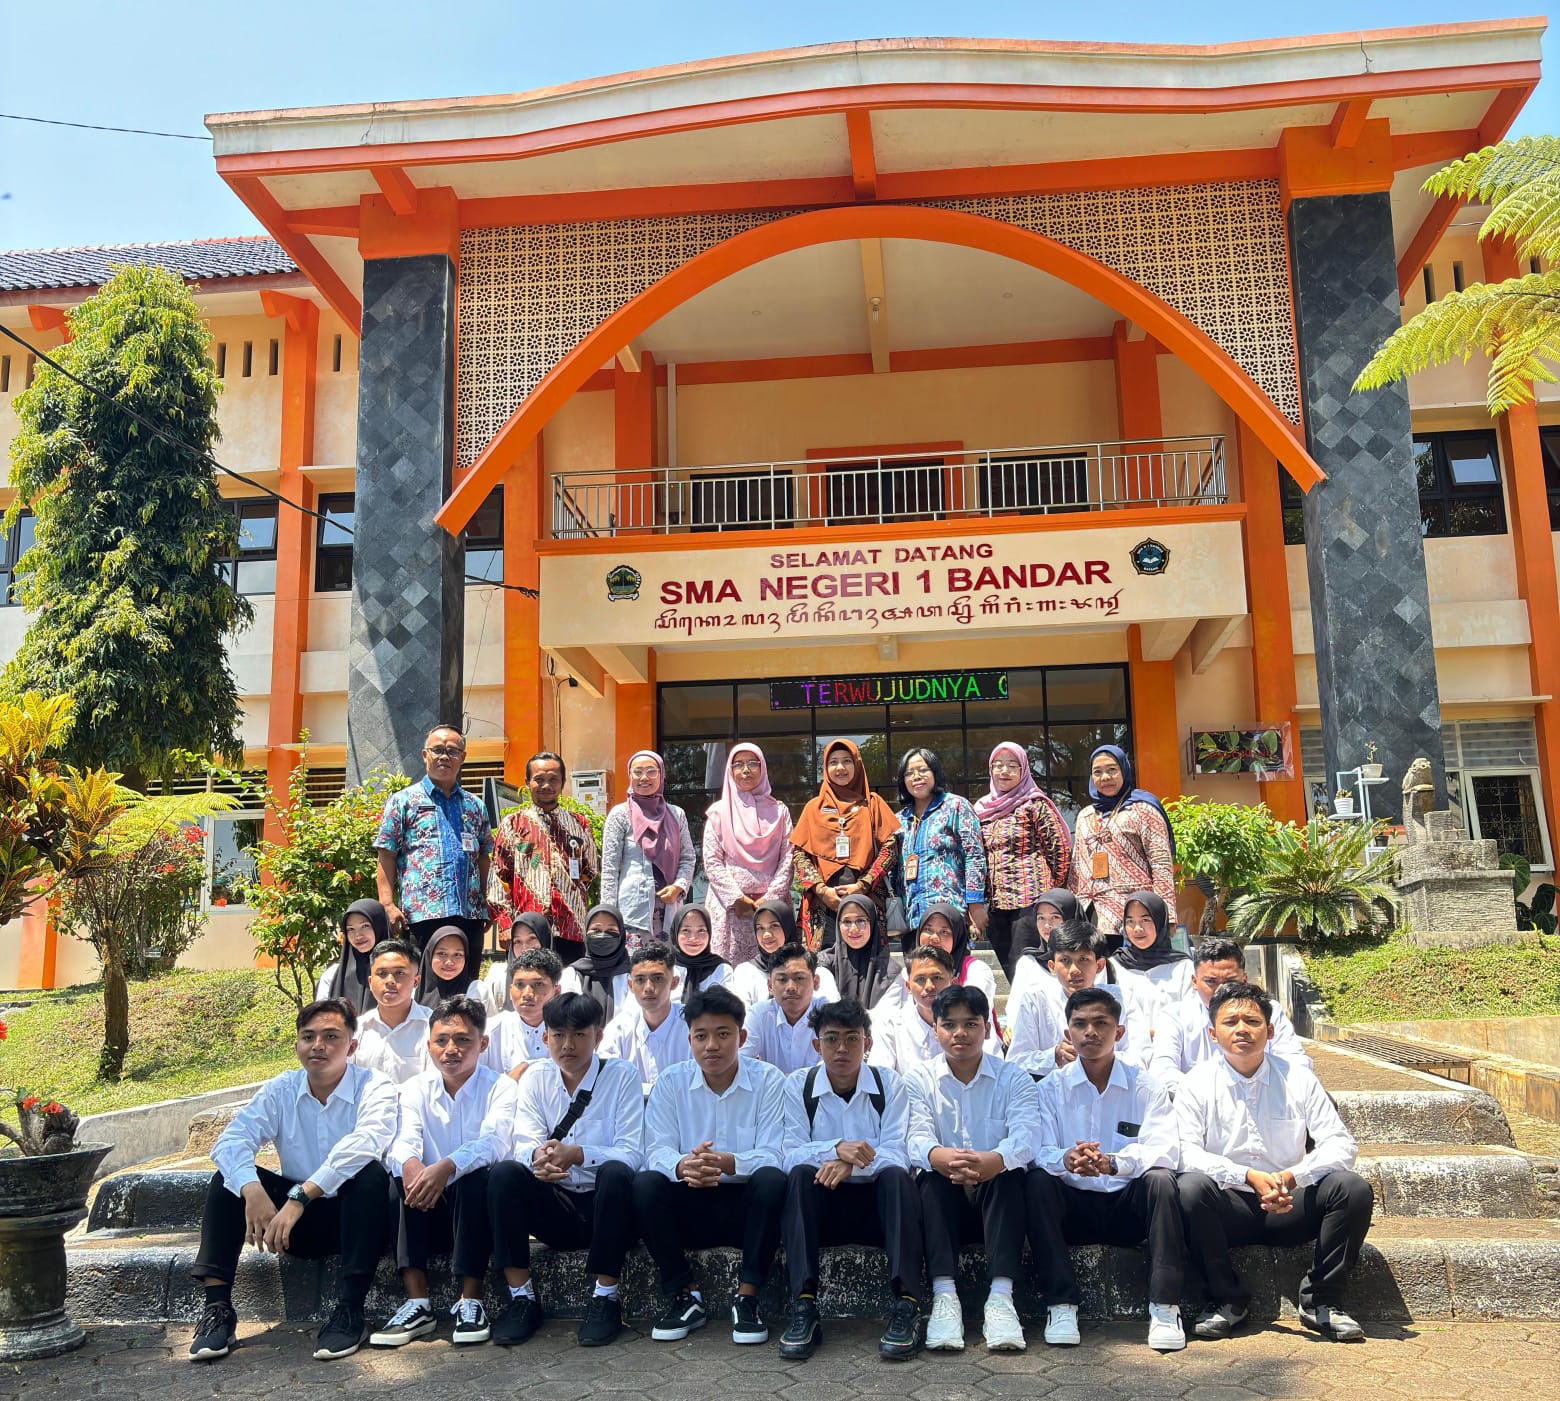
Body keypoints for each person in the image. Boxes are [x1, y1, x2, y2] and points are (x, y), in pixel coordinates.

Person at [188, 998, 396, 1363]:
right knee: (227, 1179)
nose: (319, 1046)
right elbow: (232, 1140)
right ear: (297, 1044)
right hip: (288, 1226)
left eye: (332, 1036)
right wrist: (252, 1189)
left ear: (352, 1045)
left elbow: (367, 1142)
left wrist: (300, 1197)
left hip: (356, 1222)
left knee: (369, 1175)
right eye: (308, 1036)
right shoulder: (282, 1089)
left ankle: (349, 1310)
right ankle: (217, 1310)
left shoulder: (374, 1086)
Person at [1175, 982, 1373, 1344]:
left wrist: (1291, 1177)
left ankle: (1321, 1300)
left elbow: (1340, 1143)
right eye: (1230, 1021)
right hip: (1228, 1205)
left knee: (1351, 1188)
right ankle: (1226, 1300)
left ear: (1270, 1030)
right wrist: (1248, 1176)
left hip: (1289, 1203)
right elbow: (1185, 1152)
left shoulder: (1298, 1078)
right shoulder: (1195, 1084)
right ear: (1212, 1032)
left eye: (1251, 1021)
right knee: (1188, 1188)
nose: (1241, 1030)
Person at [1022, 988, 1187, 1353]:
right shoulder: (1050, 1088)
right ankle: (1061, 1305)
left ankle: (1164, 1306)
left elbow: (1165, 1150)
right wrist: (1065, 1158)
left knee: (1162, 1180)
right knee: (1035, 1180)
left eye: (1101, 1023)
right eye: (1080, 1024)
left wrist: (1115, 1162)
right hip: (1073, 1206)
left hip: (1126, 1206)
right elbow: (1036, 1148)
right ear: (1068, 1034)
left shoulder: (1146, 1086)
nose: (1090, 1032)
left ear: (1120, 1032)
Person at [634, 985, 788, 1346]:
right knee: (645, 1185)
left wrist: (729, 1163)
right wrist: (684, 1166)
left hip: (745, 1210)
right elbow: (655, 1150)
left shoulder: (769, 1081)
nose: (712, 1046)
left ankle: (748, 1297)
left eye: (723, 1034)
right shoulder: (670, 1082)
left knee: (772, 1180)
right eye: (701, 1036)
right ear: (689, 1039)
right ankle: (685, 1295)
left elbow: (776, 1152)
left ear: (742, 1036)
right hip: (688, 1202)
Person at [488, 992, 645, 1348]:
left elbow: (633, 1152)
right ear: (545, 1037)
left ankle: (605, 1297)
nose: (567, 1045)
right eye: (558, 1035)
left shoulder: (621, 1076)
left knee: (617, 1172)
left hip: (610, 1208)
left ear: (598, 1036)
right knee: (505, 1174)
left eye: (578, 1035)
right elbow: (523, 1142)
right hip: (557, 1205)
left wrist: (579, 1154)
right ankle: (521, 1298)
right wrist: (538, 1159)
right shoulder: (535, 1077)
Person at [778, 1000, 922, 1363]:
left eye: (852, 1039)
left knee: (896, 1177)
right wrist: (837, 1150)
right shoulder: (799, 1085)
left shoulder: (889, 1084)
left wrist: (851, 1166)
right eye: (831, 1039)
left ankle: (907, 1303)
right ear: (816, 1045)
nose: (842, 1049)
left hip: (878, 1211)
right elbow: (790, 1152)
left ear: (867, 1042)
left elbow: (899, 1152)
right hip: (823, 1210)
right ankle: (804, 1306)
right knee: (797, 1176)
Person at [371, 995, 517, 1348]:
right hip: (428, 1209)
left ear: (481, 1044)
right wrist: (411, 1166)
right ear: (429, 1045)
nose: (451, 1049)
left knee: (474, 1177)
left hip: (478, 1215)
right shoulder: (415, 1089)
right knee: (397, 1179)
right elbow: (404, 1139)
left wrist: (446, 1167)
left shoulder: (501, 1087)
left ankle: (470, 1300)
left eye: (463, 1040)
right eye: (442, 1041)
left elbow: (494, 1142)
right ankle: (417, 1302)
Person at [906, 984, 1038, 1353]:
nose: (959, 1033)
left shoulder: (1014, 1078)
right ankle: (945, 1297)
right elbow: (913, 1137)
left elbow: (1027, 1137)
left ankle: (1001, 1298)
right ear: (936, 1030)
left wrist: (990, 1161)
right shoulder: (919, 1079)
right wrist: (941, 1157)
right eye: (949, 1025)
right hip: (945, 1196)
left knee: (1010, 1172)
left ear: (987, 1027)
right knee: (929, 1177)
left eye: (970, 1024)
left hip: (995, 1200)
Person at [374, 724, 494, 951]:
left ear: (463, 757)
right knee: (421, 984)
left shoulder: (475, 805)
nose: (444, 757)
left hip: (470, 915)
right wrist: (387, 903)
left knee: (467, 986)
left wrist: (487, 903)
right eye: (437, 750)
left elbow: (483, 858)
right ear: (424, 755)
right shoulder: (403, 801)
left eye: (452, 751)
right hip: (421, 916)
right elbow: (386, 854)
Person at [1151, 940, 1313, 1089]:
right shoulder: (1173, 1017)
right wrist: (1215, 1096)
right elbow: (1162, 1072)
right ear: (1194, 982)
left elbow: (1295, 1062)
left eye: (1230, 982)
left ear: (1244, 980)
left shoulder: (1270, 1010)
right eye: (1211, 981)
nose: (1221, 990)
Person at [489, 752, 599, 965]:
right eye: (539, 779)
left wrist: (568, 892)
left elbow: (590, 871)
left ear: (563, 782)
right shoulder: (512, 825)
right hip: (527, 931)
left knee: (568, 990)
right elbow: (498, 877)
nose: (546, 785)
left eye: (553, 779)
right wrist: (504, 923)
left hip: (571, 928)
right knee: (530, 988)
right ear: (527, 782)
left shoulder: (580, 825)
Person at [1008, 921, 1158, 1077]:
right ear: (1052, 967)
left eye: (1084, 960)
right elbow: (1017, 1060)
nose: (1074, 970)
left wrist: (1097, 1055)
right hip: (1055, 1093)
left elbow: (1141, 1056)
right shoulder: (1035, 1000)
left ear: (1099, 965)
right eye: (1065, 960)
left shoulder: (1123, 998)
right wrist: (1055, 1056)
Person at [975, 742, 1073, 979]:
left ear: (1023, 771)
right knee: (1010, 968)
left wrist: (1051, 893)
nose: (1004, 771)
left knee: (1028, 967)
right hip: (998, 905)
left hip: (1030, 902)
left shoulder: (1034, 804)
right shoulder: (981, 809)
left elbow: (1059, 850)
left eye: (1012, 765)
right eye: (998, 765)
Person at [790, 739, 900, 950]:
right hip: (822, 906)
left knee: (869, 966)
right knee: (822, 968)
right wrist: (822, 891)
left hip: (866, 901)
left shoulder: (873, 803)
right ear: (826, 768)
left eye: (847, 761)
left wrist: (862, 885)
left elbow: (890, 849)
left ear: (857, 765)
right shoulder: (814, 807)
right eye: (833, 762)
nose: (840, 768)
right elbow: (799, 856)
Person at [702, 743, 795, 964]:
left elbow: (789, 857)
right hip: (730, 912)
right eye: (739, 764)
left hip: (771, 911)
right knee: (728, 974)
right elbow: (712, 861)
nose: (746, 770)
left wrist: (770, 899)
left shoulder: (780, 812)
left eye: (753, 763)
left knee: (776, 970)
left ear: (762, 769)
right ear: (730, 771)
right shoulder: (719, 813)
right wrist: (736, 899)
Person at [1068, 744, 1176, 931]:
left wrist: (1168, 916)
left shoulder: (1144, 809)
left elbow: (1161, 865)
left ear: (1124, 771)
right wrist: (1070, 913)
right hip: (1090, 914)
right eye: (1098, 772)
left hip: (1133, 913)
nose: (1105, 777)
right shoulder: (1085, 816)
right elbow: (1076, 868)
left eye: (1112, 770)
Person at [892, 747, 987, 945]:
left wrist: (975, 904)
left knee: (951, 974)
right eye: (909, 773)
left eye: (923, 770)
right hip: (913, 919)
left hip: (950, 916)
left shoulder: (956, 806)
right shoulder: (899, 820)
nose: (916, 776)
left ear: (935, 773)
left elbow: (974, 855)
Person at [600, 750, 695, 944]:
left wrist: (679, 886)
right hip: (633, 913)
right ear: (630, 776)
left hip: (669, 912)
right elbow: (609, 868)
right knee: (634, 970)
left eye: (651, 771)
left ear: (661, 775)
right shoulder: (620, 815)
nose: (644, 777)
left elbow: (688, 857)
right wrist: (608, 915)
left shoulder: (677, 815)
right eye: (638, 772)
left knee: (668, 970)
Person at [869, 945, 1003, 1073]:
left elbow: (992, 1068)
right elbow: (880, 1076)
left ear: (954, 983)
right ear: (908, 986)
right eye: (920, 979)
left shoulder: (971, 1025)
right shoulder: (891, 1025)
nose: (929, 986)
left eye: (937, 978)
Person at [600, 944, 692, 1092]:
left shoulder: (692, 1025)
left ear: (674, 983)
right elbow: (607, 1081)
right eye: (640, 980)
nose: (648, 987)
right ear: (630, 985)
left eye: (657, 978)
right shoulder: (620, 1028)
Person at [729, 900, 840, 1008]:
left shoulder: (816, 971)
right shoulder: (746, 972)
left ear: (787, 927)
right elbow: (741, 1019)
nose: (766, 934)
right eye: (760, 928)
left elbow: (832, 1017)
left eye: (774, 926)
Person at [354, 940, 432, 1084]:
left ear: (416, 981)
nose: (390, 981)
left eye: (399, 973)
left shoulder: (432, 1026)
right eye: (382, 973)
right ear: (370, 982)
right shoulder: (357, 1029)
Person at [741, 942, 827, 1074]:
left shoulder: (828, 1014)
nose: (791, 987)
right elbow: (741, 1061)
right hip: (771, 1092)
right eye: (782, 979)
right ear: (770, 986)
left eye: (799, 978)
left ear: (815, 982)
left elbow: (833, 1067)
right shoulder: (759, 1015)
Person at [481, 946, 564, 1078]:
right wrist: (508, 1086)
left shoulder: (572, 1032)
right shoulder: (491, 1031)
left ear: (556, 992)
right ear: (510, 990)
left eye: (538, 984)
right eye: (519, 985)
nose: (527, 994)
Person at [820, 893, 900, 1011]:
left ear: (872, 923)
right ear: (838, 925)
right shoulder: (823, 965)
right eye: (847, 922)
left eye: (861, 921)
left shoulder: (890, 970)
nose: (854, 929)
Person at [1007, 888, 1084, 1010]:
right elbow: (1015, 1008)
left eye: (1055, 917)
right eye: (1041, 918)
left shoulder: (1091, 961)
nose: (1047, 925)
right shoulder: (1028, 963)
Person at [1113, 891, 1192, 1002]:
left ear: (1160, 922)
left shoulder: (1183, 967)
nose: (1137, 928)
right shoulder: (1114, 966)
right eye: (1130, 921)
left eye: (1145, 920)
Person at [915, 904, 997, 1008]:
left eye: (944, 932)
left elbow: (970, 1013)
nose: (934, 938)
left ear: (957, 935)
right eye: (928, 930)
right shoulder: (910, 971)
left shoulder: (976, 970)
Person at [560, 905, 633, 1021]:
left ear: (622, 935)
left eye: (611, 930)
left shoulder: (634, 976)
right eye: (596, 930)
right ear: (585, 934)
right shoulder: (571, 975)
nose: (603, 935)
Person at [315, 899, 388, 1011]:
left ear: (379, 927)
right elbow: (320, 1016)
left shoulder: (399, 972)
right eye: (351, 929)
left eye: (365, 926)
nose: (358, 935)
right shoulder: (332, 975)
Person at [480, 911, 551, 1014]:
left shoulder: (562, 980)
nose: (525, 947)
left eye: (532, 938)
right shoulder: (497, 976)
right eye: (517, 941)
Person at [416, 925, 486, 1010]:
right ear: (429, 955)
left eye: (457, 954)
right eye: (442, 953)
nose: (449, 962)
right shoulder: (411, 991)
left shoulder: (477, 991)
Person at [670, 905, 731, 1001]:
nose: (693, 938)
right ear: (676, 932)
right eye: (686, 930)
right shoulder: (664, 967)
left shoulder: (721, 969)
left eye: (701, 930)